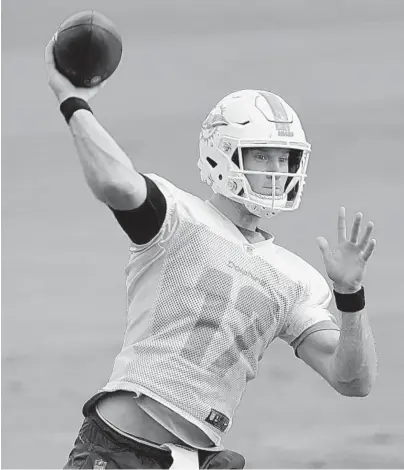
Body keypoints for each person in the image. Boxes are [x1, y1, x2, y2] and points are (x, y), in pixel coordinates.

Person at [45, 36, 378, 470]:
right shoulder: (176, 217)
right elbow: (115, 183)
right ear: (222, 154)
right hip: (117, 450)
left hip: (194, 460)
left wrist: (351, 296)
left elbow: (353, 379)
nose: (276, 171)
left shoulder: (297, 278)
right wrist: (73, 101)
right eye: (262, 155)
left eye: (285, 159)